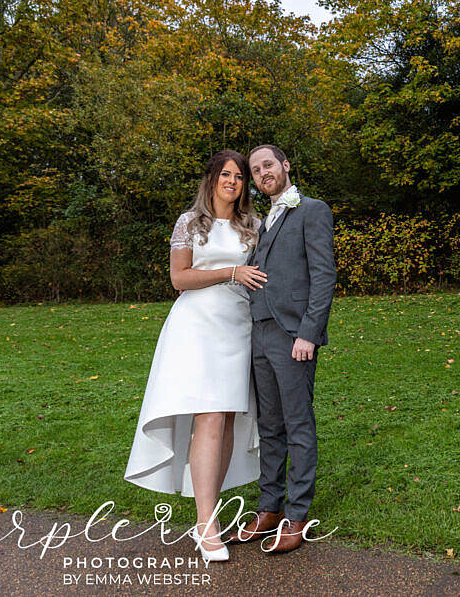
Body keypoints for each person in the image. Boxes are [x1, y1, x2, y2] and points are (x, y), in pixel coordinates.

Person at [124, 150, 269, 562]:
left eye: (240, 176)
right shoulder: (190, 223)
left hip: (239, 327)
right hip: (197, 326)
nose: (233, 182)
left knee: (225, 421)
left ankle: (209, 515)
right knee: (207, 416)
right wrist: (229, 272)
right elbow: (179, 278)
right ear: (211, 179)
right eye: (226, 174)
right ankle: (207, 526)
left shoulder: (253, 226)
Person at [224, 143, 336, 553]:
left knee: (298, 424)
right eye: (254, 170)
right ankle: (268, 509)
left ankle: (296, 514)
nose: (261, 174)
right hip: (259, 333)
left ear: (286, 166)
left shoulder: (312, 210)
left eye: (267, 165)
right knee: (269, 427)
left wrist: (309, 333)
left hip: (293, 336)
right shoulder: (260, 221)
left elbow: (323, 276)